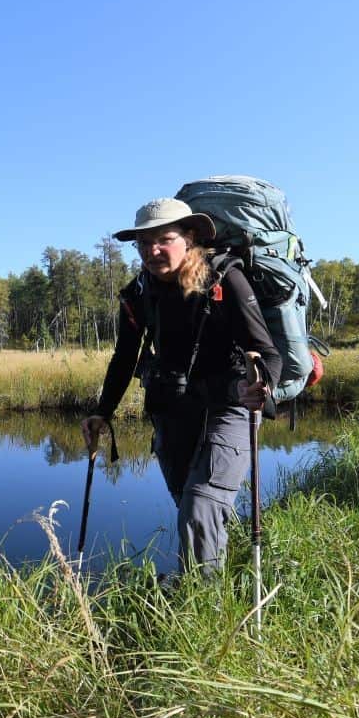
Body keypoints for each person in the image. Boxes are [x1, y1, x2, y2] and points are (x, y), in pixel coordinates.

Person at [82, 197, 281, 578]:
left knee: (199, 505)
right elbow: (124, 359)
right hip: (173, 411)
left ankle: (201, 608)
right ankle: (220, 577)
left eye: (163, 239)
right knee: (191, 507)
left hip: (231, 405)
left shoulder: (225, 280)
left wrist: (262, 387)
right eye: (143, 243)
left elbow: (268, 353)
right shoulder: (138, 294)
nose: (152, 251)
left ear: (189, 238)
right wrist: (101, 413)